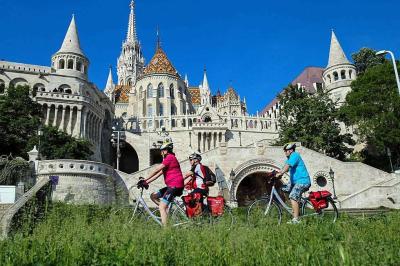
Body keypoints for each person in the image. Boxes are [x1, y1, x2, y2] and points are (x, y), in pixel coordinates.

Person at [137, 138, 184, 226]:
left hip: (175, 185)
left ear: (167, 150)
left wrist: (145, 180)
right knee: (153, 196)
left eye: (163, 150)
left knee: (162, 207)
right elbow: (158, 173)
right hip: (171, 186)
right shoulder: (168, 160)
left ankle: (166, 230)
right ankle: (164, 213)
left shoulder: (170, 157)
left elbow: (156, 169)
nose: (161, 152)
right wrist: (147, 182)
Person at [276, 142, 311, 224]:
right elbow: (285, 168)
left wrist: (280, 173)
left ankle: (296, 219)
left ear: (290, 150)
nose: (284, 152)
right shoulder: (289, 159)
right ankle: (298, 205)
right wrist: (275, 173)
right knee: (284, 188)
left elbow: (287, 167)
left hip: (303, 181)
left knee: (292, 196)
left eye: (285, 151)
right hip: (295, 182)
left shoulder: (295, 155)